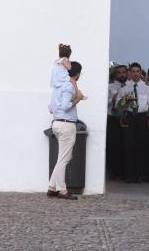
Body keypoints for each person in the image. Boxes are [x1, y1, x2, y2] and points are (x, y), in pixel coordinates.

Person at [48, 61, 84, 200]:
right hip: (66, 124)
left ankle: (52, 187)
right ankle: (62, 189)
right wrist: (78, 99)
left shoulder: (58, 86)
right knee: (64, 159)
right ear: (77, 74)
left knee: (62, 157)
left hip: (57, 123)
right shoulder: (69, 87)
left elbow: (51, 108)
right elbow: (65, 106)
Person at [116, 62, 149, 183]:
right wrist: (125, 101)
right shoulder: (124, 88)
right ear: (130, 73)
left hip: (142, 118)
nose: (135, 74)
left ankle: (138, 175)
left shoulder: (147, 88)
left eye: (137, 71)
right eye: (133, 71)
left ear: (140, 72)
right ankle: (128, 174)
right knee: (128, 146)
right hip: (129, 117)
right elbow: (118, 106)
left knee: (141, 146)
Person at [106, 64, 128, 179]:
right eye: (119, 72)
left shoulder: (130, 86)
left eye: (123, 72)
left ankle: (125, 171)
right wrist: (112, 99)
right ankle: (114, 171)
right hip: (113, 119)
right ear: (115, 74)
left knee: (126, 145)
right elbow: (104, 102)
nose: (121, 74)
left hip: (126, 118)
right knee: (114, 145)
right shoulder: (110, 87)